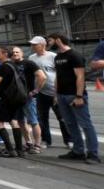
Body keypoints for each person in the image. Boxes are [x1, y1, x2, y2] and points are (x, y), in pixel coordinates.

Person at [47, 34, 99, 164]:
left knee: (86, 125)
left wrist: (79, 96)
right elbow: (58, 77)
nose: (48, 43)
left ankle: (93, 154)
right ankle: (78, 151)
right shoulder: (58, 57)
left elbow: (80, 77)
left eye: (50, 41)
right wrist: (56, 95)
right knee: (70, 124)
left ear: (58, 40)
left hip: (75, 96)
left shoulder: (74, 55)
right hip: (62, 96)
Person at [28, 36, 70, 148]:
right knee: (42, 118)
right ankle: (46, 140)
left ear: (42, 45)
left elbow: (60, 74)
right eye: (32, 44)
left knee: (62, 117)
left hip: (55, 92)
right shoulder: (31, 58)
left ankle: (68, 140)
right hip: (40, 92)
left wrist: (57, 93)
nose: (32, 46)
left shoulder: (53, 56)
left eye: (35, 44)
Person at [0, 47, 27, 158]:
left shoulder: (3, 67)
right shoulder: (16, 65)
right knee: (13, 121)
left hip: (5, 98)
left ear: (5, 54)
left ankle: (10, 150)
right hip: (17, 97)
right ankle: (19, 150)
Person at [13, 46, 46, 154]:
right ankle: (28, 142)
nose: (15, 54)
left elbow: (42, 77)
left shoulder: (29, 63)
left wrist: (35, 91)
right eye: (13, 52)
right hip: (16, 98)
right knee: (20, 121)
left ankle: (37, 145)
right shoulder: (11, 65)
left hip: (28, 98)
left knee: (33, 121)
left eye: (17, 52)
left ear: (22, 53)